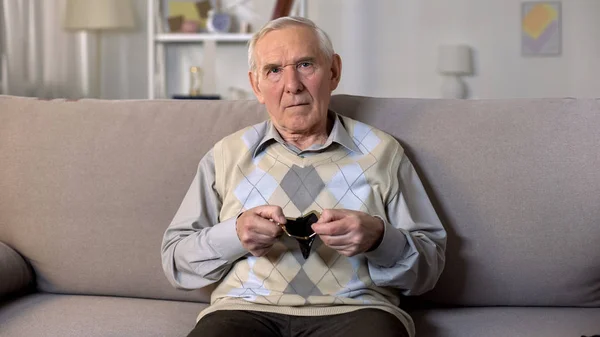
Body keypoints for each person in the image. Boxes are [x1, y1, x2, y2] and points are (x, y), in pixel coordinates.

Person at [161, 16, 447, 337]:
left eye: (306, 65)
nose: (292, 85)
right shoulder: (226, 155)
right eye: (273, 71)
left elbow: (429, 269)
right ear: (256, 85)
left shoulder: (383, 153)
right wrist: (235, 235)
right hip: (243, 311)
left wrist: (379, 238)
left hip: (357, 312)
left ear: (334, 72)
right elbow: (175, 261)